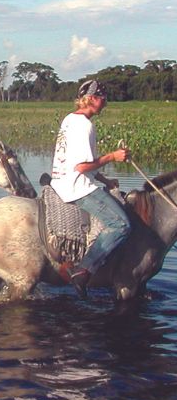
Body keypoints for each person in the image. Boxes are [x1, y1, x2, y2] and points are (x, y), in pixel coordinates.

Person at [50, 78, 132, 298]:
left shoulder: (70, 119)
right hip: (76, 186)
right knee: (121, 225)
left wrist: (105, 181)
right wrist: (113, 156)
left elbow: (75, 161)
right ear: (92, 99)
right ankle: (84, 269)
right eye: (103, 98)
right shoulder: (85, 126)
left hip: (62, 180)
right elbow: (82, 165)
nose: (105, 103)